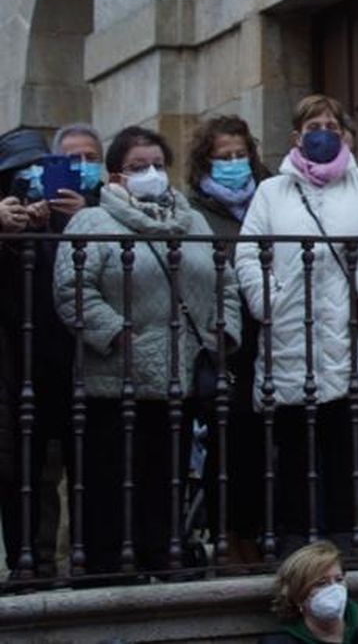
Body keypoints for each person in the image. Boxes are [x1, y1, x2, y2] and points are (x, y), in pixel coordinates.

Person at [51, 125, 241, 574]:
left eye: (157, 164)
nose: (151, 173)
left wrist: (220, 336)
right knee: (108, 485)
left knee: (166, 481)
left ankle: (163, 558)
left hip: (180, 377)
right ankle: (107, 572)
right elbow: (72, 289)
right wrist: (117, 334)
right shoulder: (91, 222)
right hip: (114, 380)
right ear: (115, 175)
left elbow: (225, 284)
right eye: (139, 167)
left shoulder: (192, 220)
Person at [235, 95, 358, 551]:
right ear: (297, 136)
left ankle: (349, 543)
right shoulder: (272, 191)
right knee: (295, 451)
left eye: (331, 123)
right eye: (314, 124)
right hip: (293, 335)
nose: (323, 131)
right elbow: (248, 252)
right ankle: (299, 549)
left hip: (352, 336)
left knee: (348, 450)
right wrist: (268, 300)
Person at [186, 114, 274, 567]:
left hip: (273, 331)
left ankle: (261, 531)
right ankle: (231, 534)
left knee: (266, 440)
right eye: (225, 157)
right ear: (207, 161)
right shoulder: (196, 210)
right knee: (230, 439)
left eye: (241, 155)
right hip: (226, 338)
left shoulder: (270, 197)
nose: (235, 164)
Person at [0, 128, 74, 578]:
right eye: (16, 176)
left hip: (65, 364)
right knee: (21, 476)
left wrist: (63, 220)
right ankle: (27, 564)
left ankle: (80, 562)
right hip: (12, 370)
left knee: (76, 467)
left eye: (36, 172)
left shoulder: (67, 219)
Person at [259, 540, 358, 644]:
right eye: (321, 583)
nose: (334, 589)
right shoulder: (281, 641)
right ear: (298, 595)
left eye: (339, 580)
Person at [50, 122, 104, 220]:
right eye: (75, 159)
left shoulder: (113, 202)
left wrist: (88, 210)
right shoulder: (47, 202)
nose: (84, 164)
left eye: (91, 158)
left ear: (101, 160)